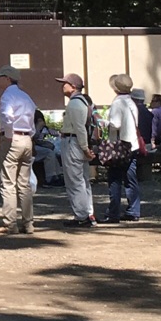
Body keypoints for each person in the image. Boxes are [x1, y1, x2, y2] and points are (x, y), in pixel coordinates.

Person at [0, 66, 38, 236]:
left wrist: (9, 135)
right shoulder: (25, 96)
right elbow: (33, 117)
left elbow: (7, 115)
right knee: (24, 183)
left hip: (12, 139)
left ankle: (10, 223)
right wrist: (30, 135)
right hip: (26, 138)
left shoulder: (7, 95)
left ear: (7, 78)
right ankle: (28, 223)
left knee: (8, 182)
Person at [102, 71, 144, 222]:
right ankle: (134, 210)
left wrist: (102, 121)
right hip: (132, 145)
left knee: (114, 179)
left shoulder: (117, 103)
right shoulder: (131, 102)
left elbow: (115, 124)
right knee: (131, 179)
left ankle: (113, 212)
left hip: (119, 146)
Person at [57, 73, 96, 227]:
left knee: (74, 181)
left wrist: (85, 148)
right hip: (78, 142)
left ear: (73, 86)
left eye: (65, 83)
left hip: (73, 142)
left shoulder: (74, 104)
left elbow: (79, 129)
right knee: (83, 180)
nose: (62, 86)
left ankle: (81, 216)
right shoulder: (84, 101)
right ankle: (88, 212)